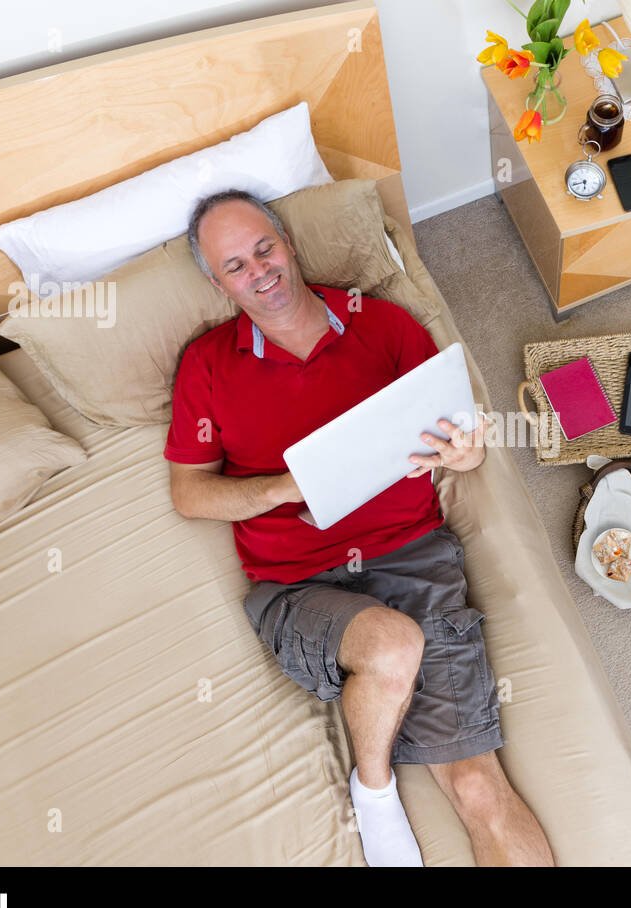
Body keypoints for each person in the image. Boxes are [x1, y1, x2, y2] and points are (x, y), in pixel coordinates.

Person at [164, 189, 554, 867]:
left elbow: (459, 435)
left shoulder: (384, 326)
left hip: (414, 557)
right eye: (234, 266)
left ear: (286, 241)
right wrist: (289, 486)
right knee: (391, 646)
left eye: (264, 248)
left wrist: (467, 452)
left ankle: (381, 756)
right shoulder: (208, 365)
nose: (258, 271)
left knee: (478, 789)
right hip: (299, 581)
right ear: (214, 282)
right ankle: (373, 791)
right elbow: (190, 496)